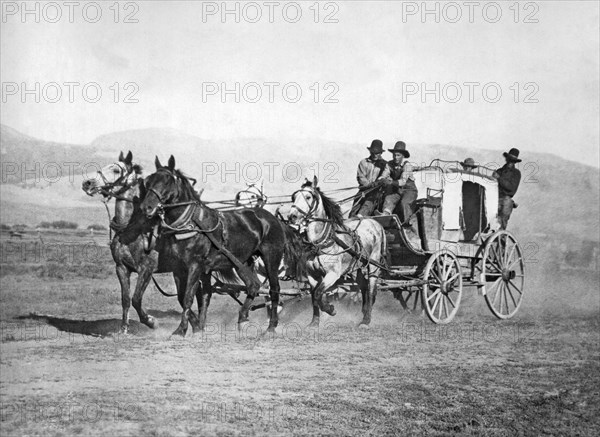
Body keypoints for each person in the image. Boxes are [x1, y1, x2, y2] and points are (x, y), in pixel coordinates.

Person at [382, 141, 418, 232]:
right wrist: (380, 180)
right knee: (389, 199)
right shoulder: (389, 164)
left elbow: (402, 181)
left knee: (404, 203)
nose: (395, 157)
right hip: (398, 190)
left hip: (410, 190)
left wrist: (390, 182)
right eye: (394, 155)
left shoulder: (407, 165)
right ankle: (385, 216)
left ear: (403, 156)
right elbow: (384, 175)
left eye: (398, 155)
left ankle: (407, 224)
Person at [350, 139, 390, 217]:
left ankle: (360, 216)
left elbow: (385, 177)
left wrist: (380, 183)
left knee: (368, 204)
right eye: (373, 152)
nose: (375, 155)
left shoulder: (385, 165)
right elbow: (361, 178)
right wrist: (370, 185)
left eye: (377, 153)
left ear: (381, 153)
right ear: (370, 151)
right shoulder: (363, 162)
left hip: (377, 193)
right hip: (363, 191)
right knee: (354, 209)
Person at [493, 148, 522, 230]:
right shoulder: (499, 171)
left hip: (505, 199)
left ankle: (501, 238)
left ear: (515, 162)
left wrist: (499, 178)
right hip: (494, 198)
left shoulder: (516, 173)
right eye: (509, 160)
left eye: (512, 161)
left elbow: (511, 188)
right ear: (506, 159)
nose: (510, 162)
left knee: (502, 221)